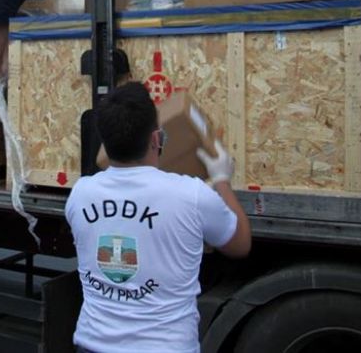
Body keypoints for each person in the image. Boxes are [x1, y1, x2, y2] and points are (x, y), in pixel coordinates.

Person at [65, 82, 251, 352]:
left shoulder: (80, 194)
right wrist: (222, 179)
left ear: (105, 143)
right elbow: (240, 244)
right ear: (156, 139)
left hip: (93, 345)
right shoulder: (192, 195)